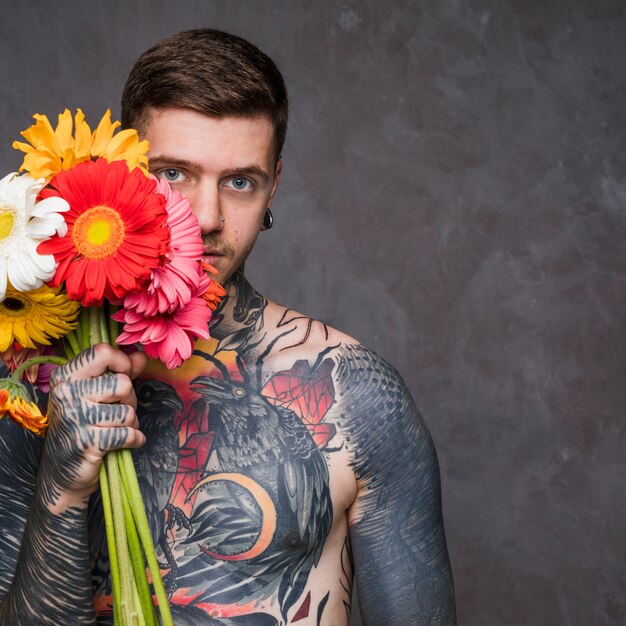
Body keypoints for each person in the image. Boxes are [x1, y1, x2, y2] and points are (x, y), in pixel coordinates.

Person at [0, 29, 456, 625]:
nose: (208, 217)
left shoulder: (357, 397)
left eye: (240, 181)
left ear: (274, 186)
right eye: (174, 175)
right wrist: (61, 492)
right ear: (123, 173)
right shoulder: (29, 385)